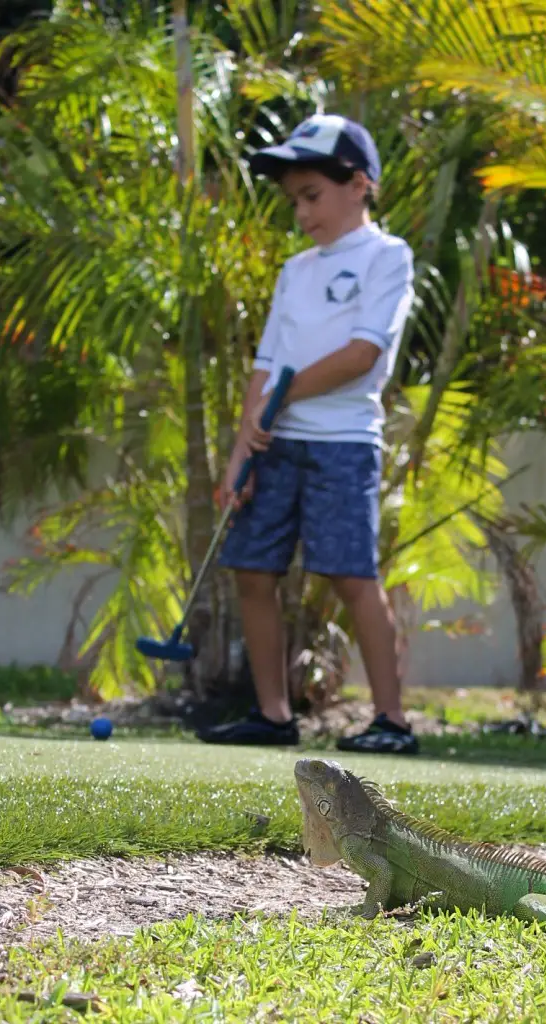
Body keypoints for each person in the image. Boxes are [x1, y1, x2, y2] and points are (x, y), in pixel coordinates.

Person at [197, 113, 418, 755]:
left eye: (312, 196)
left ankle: (392, 722)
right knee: (251, 568)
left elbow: (362, 356)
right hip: (277, 444)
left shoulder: (387, 257)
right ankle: (272, 715)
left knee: (351, 576)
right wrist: (243, 448)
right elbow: (266, 363)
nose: (301, 213)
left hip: (344, 444)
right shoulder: (295, 271)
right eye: (294, 200)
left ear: (360, 184)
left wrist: (283, 395)